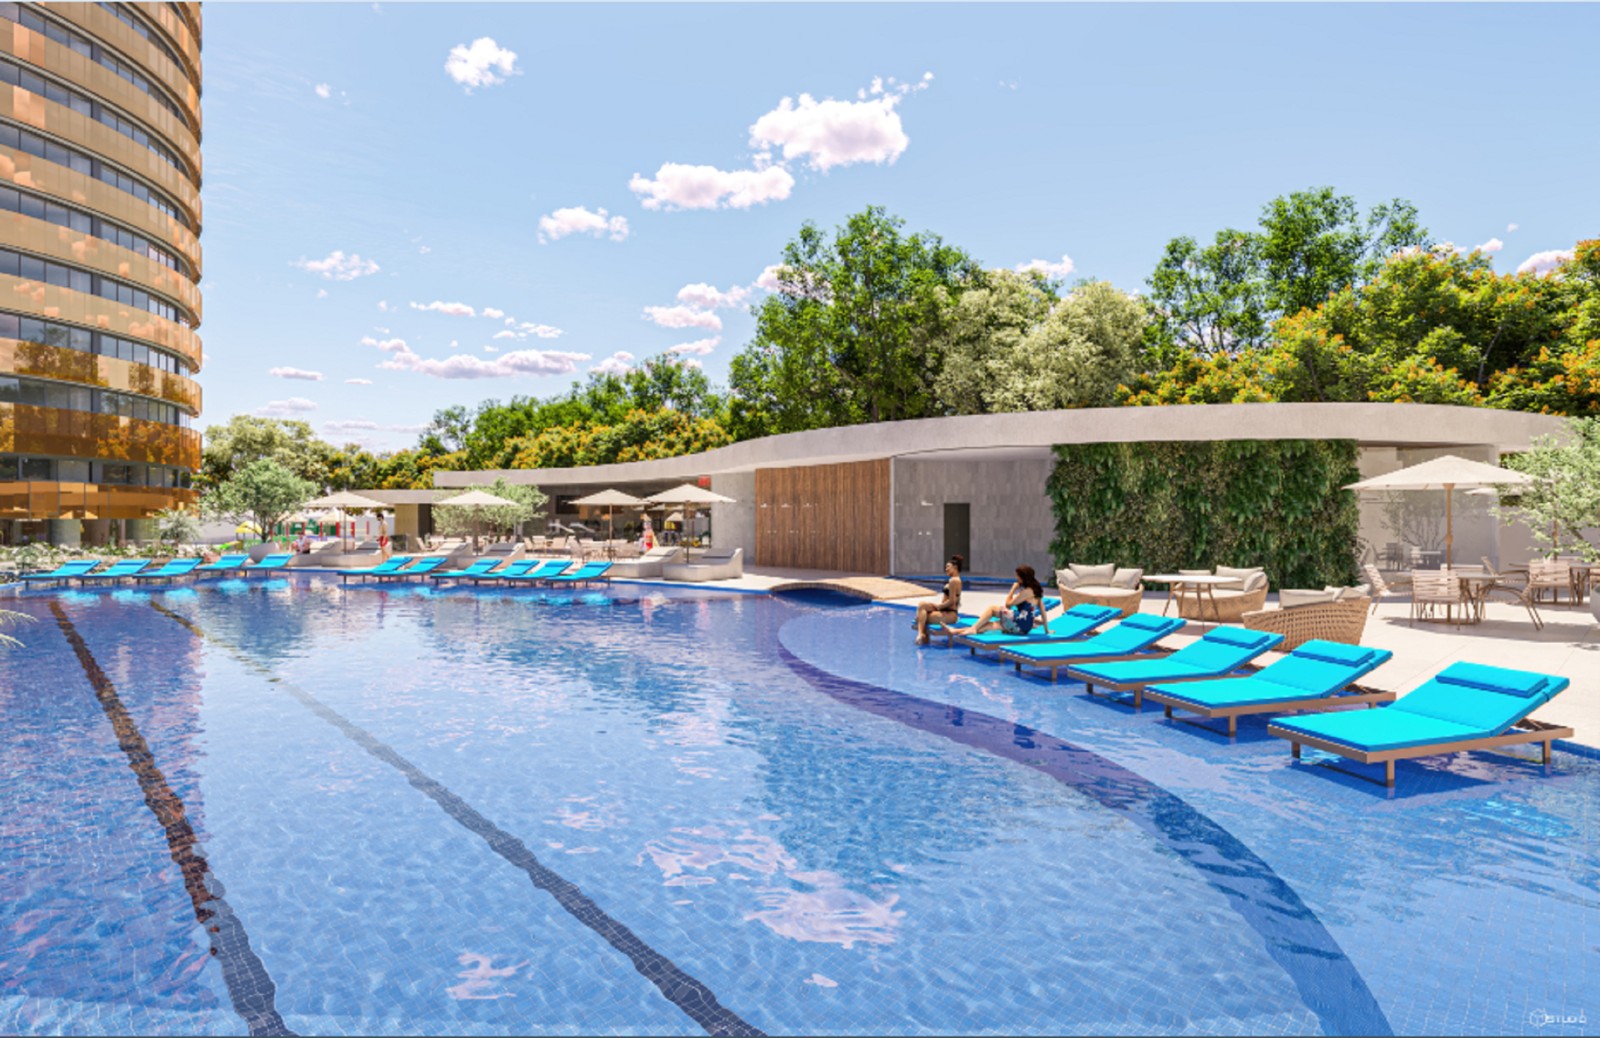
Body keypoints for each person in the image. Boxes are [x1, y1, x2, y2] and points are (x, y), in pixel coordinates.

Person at [954, 565, 1051, 639]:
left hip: (1019, 623)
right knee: (989, 625)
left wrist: (1013, 589)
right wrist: (1047, 631)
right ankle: (956, 631)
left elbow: (1008, 605)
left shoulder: (1027, 592)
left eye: (1017, 576)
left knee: (992, 609)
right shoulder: (1036, 591)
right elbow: (1043, 612)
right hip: (1024, 627)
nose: (1016, 578)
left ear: (1023, 577)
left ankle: (973, 628)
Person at [914, 555, 965, 646]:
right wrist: (938, 607)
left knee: (921, 617)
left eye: (948, 567)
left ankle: (921, 635)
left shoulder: (954, 581)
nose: (946, 569)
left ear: (955, 567)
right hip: (944, 610)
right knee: (922, 605)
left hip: (950, 614)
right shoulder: (955, 580)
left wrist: (938, 607)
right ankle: (921, 634)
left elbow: (952, 601)